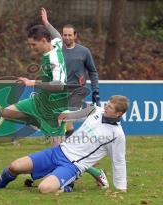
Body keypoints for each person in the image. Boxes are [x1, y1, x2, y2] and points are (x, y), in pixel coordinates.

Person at [0, 95, 129, 193]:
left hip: (73, 165)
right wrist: (63, 116)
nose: (106, 107)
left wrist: (121, 189)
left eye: (109, 107)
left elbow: (119, 162)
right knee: (14, 166)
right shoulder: (96, 110)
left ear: (118, 114)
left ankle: (65, 185)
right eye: (107, 104)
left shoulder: (117, 135)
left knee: (44, 189)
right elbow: (76, 114)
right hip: (57, 152)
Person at [40, 7, 107, 190]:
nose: (67, 37)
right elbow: (52, 34)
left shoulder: (84, 52)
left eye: (70, 35)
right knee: (59, 142)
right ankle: (85, 172)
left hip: (75, 95)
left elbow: (93, 72)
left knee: (65, 130)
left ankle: (65, 175)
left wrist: (96, 91)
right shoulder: (57, 48)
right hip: (57, 96)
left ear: (75, 35)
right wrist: (46, 23)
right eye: (64, 35)